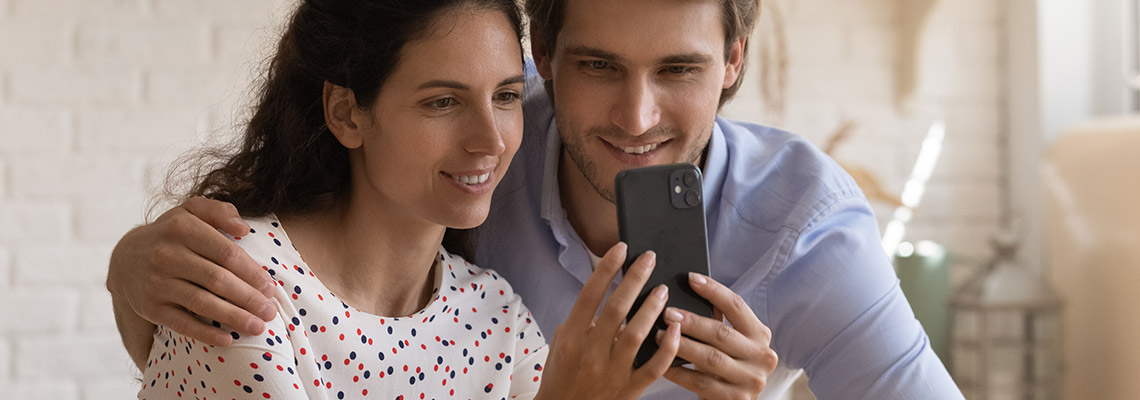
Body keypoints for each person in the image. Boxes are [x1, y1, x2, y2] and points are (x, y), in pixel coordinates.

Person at [110, 0, 963, 399]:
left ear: (733, 60)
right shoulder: (480, 165)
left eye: (679, 69)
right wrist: (126, 270)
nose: (635, 119)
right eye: (598, 66)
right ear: (545, 56)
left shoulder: (492, 315)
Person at [129, 0, 695, 398]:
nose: (491, 141)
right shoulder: (241, 283)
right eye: (442, 102)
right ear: (347, 112)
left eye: (505, 97)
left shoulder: (495, 314)